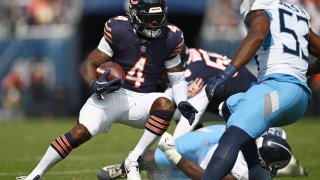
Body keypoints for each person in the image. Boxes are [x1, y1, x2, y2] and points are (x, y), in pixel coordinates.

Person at [17, 0, 197, 180]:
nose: (154, 24)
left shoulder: (172, 36)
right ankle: (34, 175)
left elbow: (178, 76)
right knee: (79, 133)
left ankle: (133, 159)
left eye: (157, 18)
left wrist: (182, 101)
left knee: (165, 104)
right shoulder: (118, 28)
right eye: (148, 18)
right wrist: (95, 84)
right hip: (112, 95)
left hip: (142, 100)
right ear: (134, 15)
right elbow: (91, 62)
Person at [203, 0, 320, 179]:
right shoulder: (298, 12)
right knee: (230, 106)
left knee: (231, 136)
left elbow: (257, 35)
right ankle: (257, 170)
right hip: (298, 95)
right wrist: (300, 69)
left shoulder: (258, 5)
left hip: (278, 90)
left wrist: (226, 75)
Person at [97, 125, 307, 180]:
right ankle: (125, 168)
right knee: (152, 158)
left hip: (208, 165)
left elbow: (208, 177)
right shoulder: (270, 137)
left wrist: (174, 155)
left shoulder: (245, 174)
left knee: (159, 176)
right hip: (214, 141)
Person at [164, 47, 257, 138]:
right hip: (235, 93)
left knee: (184, 113)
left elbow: (191, 114)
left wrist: (174, 144)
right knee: (177, 113)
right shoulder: (190, 55)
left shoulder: (194, 73)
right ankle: (195, 142)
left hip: (250, 98)